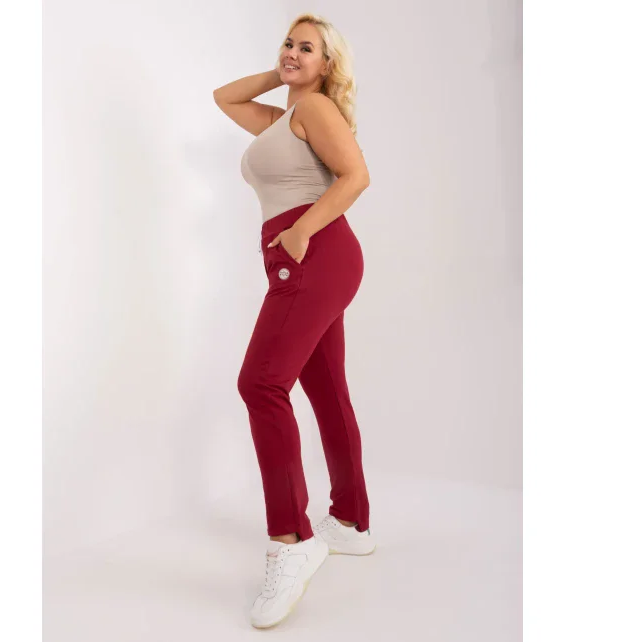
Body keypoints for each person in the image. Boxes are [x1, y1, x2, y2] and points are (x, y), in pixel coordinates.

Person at [214, 13, 375, 629]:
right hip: (309, 257)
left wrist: (302, 232)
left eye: (308, 48)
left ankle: (291, 540)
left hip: (313, 251)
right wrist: (284, 72)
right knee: (325, 390)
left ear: (328, 64)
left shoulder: (315, 109)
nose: (292, 52)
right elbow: (225, 97)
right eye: (288, 43)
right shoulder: (287, 116)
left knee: (260, 384)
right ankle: (351, 522)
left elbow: (357, 175)